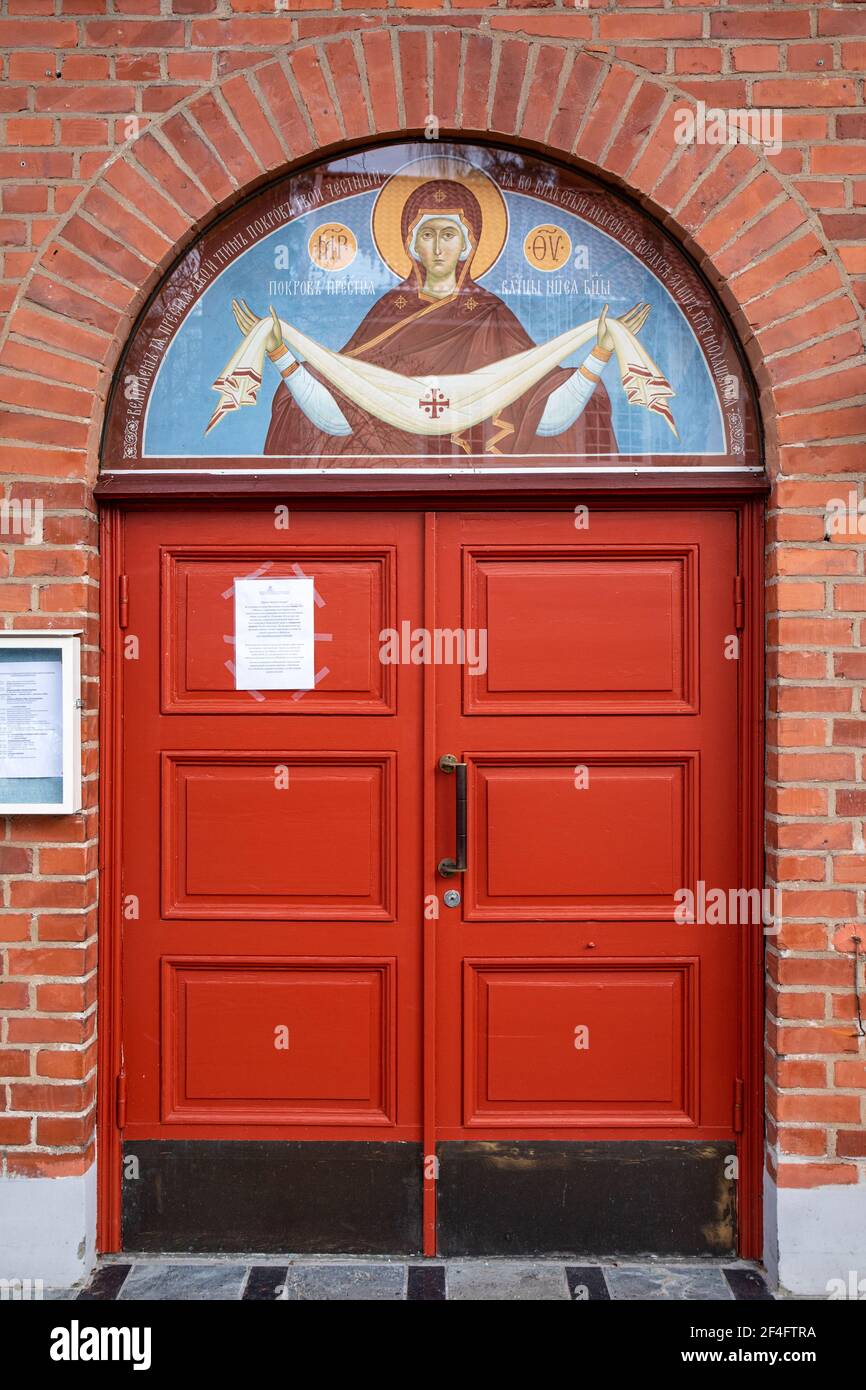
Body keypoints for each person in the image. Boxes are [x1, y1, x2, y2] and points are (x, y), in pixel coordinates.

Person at [231, 178, 650, 461]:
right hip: (389, 483)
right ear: (411, 243)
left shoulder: (491, 315)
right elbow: (344, 403)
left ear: (468, 245)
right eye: (427, 235)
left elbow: (539, 409)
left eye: (448, 235)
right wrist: (282, 355)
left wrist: (598, 354)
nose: (437, 248)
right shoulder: (387, 313)